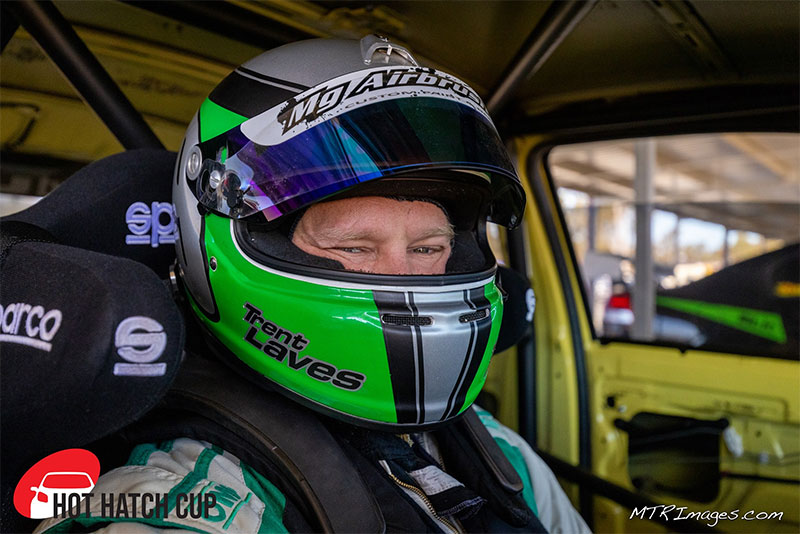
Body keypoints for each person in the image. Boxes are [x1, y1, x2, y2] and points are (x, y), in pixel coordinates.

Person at [35, 35, 590, 533]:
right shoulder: (197, 496)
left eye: (428, 248)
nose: (406, 276)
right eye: (353, 247)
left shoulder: (494, 446)